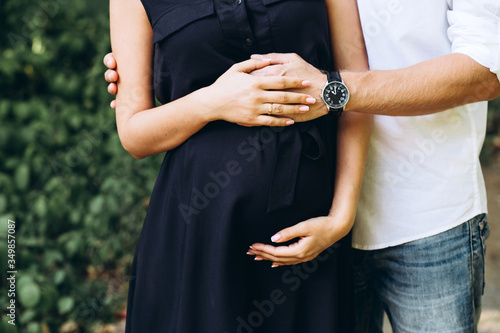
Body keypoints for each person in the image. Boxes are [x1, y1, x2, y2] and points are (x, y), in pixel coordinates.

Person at [105, 0, 500, 332]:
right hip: (224, 241)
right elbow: (137, 124)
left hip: (418, 217)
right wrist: (199, 91)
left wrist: (334, 92)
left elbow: (485, 69)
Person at [109, 0, 371, 332]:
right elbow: (134, 132)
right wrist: (213, 102)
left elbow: (356, 89)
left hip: (312, 243)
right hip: (199, 239)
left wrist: (341, 217)